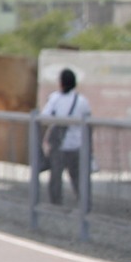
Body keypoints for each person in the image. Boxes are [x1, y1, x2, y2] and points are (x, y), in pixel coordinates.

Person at [40, 67, 91, 205]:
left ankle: (56, 203)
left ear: (61, 82)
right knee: (77, 177)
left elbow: (44, 118)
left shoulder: (55, 98)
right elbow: (89, 121)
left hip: (59, 144)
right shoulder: (82, 100)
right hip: (76, 144)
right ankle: (84, 203)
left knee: (56, 176)